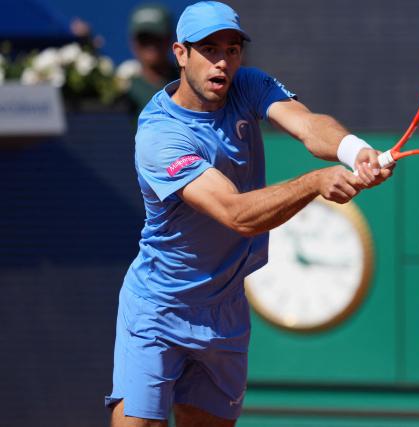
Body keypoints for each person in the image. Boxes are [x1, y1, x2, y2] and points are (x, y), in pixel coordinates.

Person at [105, 1, 392, 426]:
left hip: (226, 311)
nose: (223, 60)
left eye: (233, 49)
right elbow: (236, 214)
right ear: (181, 54)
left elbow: (308, 125)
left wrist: (355, 150)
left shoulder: (249, 85)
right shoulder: (160, 135)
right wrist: (314, 183)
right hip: (158, 310)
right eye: (209, 49)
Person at [122, 4, 179, 116]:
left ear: (170, 39)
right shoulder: (123, 89)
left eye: (157, 38)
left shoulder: (187, 83)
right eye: (144, 39)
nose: (151, 45)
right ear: (133, 43)